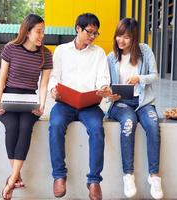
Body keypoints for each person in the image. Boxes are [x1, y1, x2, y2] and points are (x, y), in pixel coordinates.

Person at [48, 13, 111, 200]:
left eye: (95, 33)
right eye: (89, 32)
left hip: (89, 104)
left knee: (97, 129)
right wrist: (53, 90)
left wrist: (103, 88)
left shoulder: (99, 53)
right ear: (78, 29)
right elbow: (54, 76)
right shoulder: (61, 51)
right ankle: (59, 176)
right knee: (56, 126)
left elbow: (103, 78)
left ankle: (94, 181)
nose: (92, 37)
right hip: (64, 102)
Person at [0, 14, 52, 200]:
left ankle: (11, 181)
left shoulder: (46, 54)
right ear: (27, 32)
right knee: (12, 126)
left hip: (29, 100)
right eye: (38, 31)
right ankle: (16, 176)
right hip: (8, 96)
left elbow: (43, 85)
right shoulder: (11, 48)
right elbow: (2, 79)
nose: (42, 35)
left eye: (43, 32)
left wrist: (41, 105)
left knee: (25, 127)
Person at [107, 18, 163, 199]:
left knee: (153, 125)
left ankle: (154, 176)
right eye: (119, 36)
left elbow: (155, 76)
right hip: (121, 103)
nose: (121, 40)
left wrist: (140, 78)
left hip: (143, 101)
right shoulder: (111, 57)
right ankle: (128, 175)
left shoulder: (145, 51)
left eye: (126, 37)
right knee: (128, 123)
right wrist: (110, 94)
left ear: (134, 38)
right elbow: (106, 84)